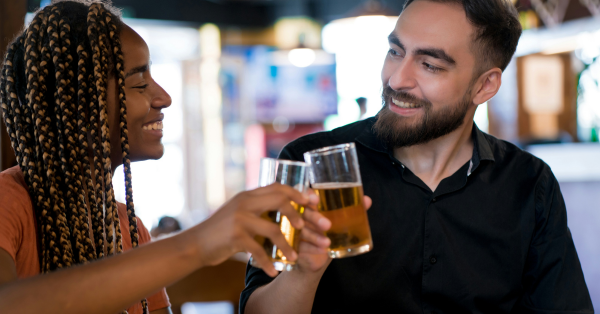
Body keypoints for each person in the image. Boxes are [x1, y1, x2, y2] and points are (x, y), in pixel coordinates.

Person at [0, 1, 354, 313]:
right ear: (74, 108)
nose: (164, 97)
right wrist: (199, 242)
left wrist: (304, 269)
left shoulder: (128, 227)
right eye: (140, 84)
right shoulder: (8, 203)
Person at [242, 0, 594, 313]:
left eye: (429, 65)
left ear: (484, 85)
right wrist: (303, 272)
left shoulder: (528, 183)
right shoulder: (306, 162)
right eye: (396, 52)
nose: (396, 79)